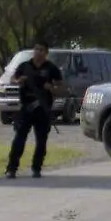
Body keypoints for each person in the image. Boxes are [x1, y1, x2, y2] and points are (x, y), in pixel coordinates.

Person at [7, 44, 65, 178]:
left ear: (46, 53)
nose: (38, 52)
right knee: (19, 138)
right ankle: (12, 168)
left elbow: (62, 87)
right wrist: (18, 81)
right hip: (25, 108)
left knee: (41, 140)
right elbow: (13, 80)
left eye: (41, 50)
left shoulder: (51, 68)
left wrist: (51, 87)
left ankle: (36, 168)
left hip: (42, 108)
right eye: (36, 49)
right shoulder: (25, 66)